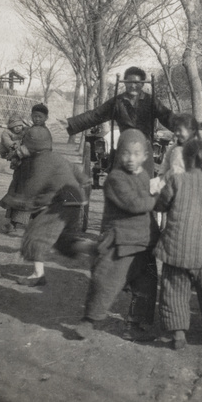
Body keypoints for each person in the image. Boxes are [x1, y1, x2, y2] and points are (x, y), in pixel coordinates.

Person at [73, 129, 159, 342]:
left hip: (143, 243)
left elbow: (148, 207)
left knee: (146, 286)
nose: (131, 159)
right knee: (105, 282)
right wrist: (159, 197)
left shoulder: (145, 176)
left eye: (136, 154)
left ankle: (136, 325)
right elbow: (135, 204)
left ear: (145, 156)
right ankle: (89, 319)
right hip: (119, 242)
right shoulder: (114, 179)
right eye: (126, 153)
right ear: (118, 154)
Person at [154, 139, 202, 350]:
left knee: (174, 289)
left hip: (178, 247)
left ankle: (178, 333)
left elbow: (161, 204)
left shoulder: (176, 180)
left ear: (186, 160)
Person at [0, 126, 91, 286]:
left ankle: (37, 275)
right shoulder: (54, 156)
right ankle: (96, 249)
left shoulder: (40, 162)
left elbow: (33, 186)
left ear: (32, 146)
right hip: (74, 201)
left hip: (61, 203)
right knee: (64, 241)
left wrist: (19, 201)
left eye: (25, 144)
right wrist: (83, 178)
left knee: (35, 236)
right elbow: (73, 168)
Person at [63, 66, 174, 177]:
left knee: (144, 185)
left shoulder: (151, 101)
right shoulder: (117, 102)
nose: (133, 86)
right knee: (121, 184)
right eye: (129, 82)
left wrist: (187, 130)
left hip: (145, 150)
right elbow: (95, 115)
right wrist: (70, 123)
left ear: (143, 84)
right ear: (124, 83)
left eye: (137, 82)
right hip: (124, 149)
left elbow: (167, 117)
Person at [150, 113, 200, 195]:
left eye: (180, 130)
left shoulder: (197, 150)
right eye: (176, 130)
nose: (176, 133)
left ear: (192, 130)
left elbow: (177, 174)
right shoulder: (175, 146)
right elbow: (165, 166)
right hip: (167, 184)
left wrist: (157, 188)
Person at [0, 114, 30, 233]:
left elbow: (31, 131)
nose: (17, 128)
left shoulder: (26, 130)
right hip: (13, 151)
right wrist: (13, 146)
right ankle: (13, 221)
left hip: (25, 156)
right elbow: (6, 141)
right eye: (15, 126)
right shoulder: (6, 133)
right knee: (18, 186)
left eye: (19, 126)